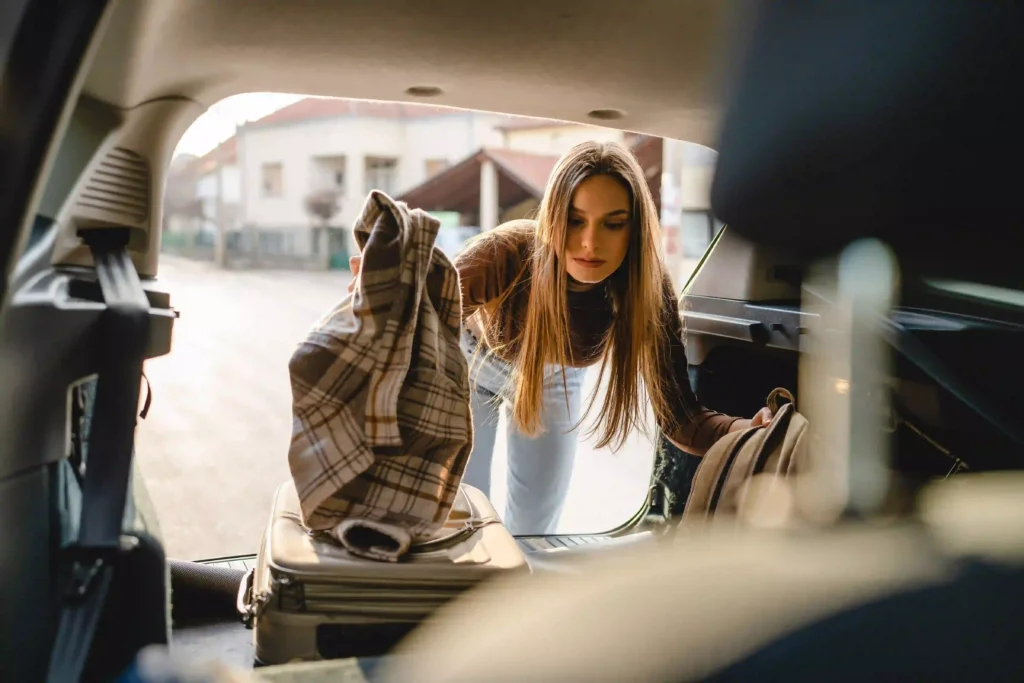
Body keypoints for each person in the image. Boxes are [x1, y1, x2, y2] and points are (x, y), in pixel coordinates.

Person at [350, 140, 772, 534]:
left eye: (613, 223)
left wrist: (747, 430)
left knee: (535, 524)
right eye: (574, 220)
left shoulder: (646, 288)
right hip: (467, 364)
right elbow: (408, 335)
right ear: (553, 216)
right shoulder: (503, 254)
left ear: (635, 228)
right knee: (459, 513)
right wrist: (380, 302)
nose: (590, 243)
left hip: (555, 377)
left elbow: (683, 421)